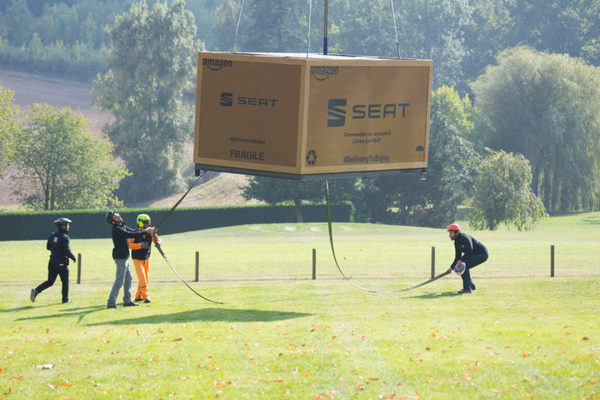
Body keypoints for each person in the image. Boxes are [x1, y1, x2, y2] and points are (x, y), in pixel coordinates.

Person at [105, 211, 156, 309]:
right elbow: (131, 234)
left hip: (125, 257)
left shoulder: (121, 226)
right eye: (115, 216)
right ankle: (111, 302)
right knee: (119, 281)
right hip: (120, 258)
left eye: (116, 214)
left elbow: (134, 231)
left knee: (129, 279)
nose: (118, 215)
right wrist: (146, 231)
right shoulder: (117, 229)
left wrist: (148, 230)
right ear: (113, 221)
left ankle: (127, 300)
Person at [30, 218, 77, 304]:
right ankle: (65, 300)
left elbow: (48, 247)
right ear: (63, 226)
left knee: (50, 281)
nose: (68, 226)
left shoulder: (52, 236)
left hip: (52, 262)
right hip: (62, 263)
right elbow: (67, 251)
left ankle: (36, 290)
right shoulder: (65, 238)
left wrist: (56, 249)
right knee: (65, 282)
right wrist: (73, 258)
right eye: (67, 225)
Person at [446, 223, 489, 294]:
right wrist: (451, 267)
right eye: (449, 233)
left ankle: (467, 289)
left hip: (482, 254)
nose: (449, 235)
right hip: (474, 255)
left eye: (451, 233)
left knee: (463, 266)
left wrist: (461, 260)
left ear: (457, 232)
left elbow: (470, 250)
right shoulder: (456, 242)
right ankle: (471, 286)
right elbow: (457, 257)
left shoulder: (464, 238)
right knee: (462, 266)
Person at [128, 214, 160, 303]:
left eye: (149, 223)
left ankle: (138, 296)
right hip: (137, 258)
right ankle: (146, 296)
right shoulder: (134, 233)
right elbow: (129, 245)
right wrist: (140, 245)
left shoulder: (150, 232)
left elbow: (157, 239)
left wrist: (158, 243)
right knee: (142, 278)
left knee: (145, 277)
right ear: (141, 223)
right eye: (146, 223)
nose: (148, 225)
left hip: (146, 258)